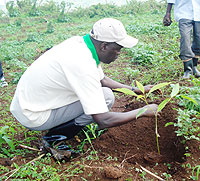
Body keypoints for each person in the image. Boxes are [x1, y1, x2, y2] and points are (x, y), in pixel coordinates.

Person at [10, 18, 158, 149]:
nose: (119, 54)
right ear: (104, 46)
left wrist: (135, 90)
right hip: (33, 115)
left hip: (29, 103)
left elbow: (103, 80)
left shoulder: (82, 44)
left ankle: (64, 125)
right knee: (105, 98)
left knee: (105, 93)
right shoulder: (82, 64)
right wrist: (143, 111)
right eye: (118, 49)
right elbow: (103, 120)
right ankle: (54, 137)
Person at [163, 0, 200, 79]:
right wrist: (168, 13)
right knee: (185, 39)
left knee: (198, 40)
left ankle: (194, 67)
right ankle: (188, 69)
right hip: (184, 12)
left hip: (199, 12)